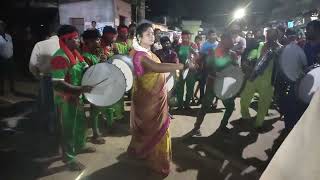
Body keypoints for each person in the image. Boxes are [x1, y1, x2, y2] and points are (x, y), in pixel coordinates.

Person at [127, 23, 193, 177]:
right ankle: (158, 166)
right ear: (139, 37)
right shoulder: (139, 55)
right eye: (148, 34)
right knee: (158, 132)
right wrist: (181, 66)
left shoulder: (146, 52)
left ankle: (144, 153)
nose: (152, 36)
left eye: (152, 33)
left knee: (148, 131)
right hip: (149, 102)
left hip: (153, 99)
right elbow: (157, 68)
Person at [50, 25, 95, 171]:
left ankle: (80, 145)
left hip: (76, 96)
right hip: (65, 99)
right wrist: (81, 89)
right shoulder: (60, 57)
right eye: (75, 38)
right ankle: (68, 158)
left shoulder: (75, 53)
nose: (79, 40)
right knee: (68, 128)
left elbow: (83, 68)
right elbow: (58, 84)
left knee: (80, 123)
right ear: (66, 39)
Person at [190, 32, 237, 136]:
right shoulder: (213, 52)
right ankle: (196, 127)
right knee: (205, 107)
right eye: (229, 41)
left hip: (224, 85)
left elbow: (236, 68)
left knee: (230, 106)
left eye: (231, 41)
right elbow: (208, 67)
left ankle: (222, 126)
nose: (232, 43)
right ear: (223, 41)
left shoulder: (232, 54)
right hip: (213, 83)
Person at [240, 28, 282, 129]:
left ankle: (258, 123)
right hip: (254, 76)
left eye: (271, 35)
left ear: (276, 36)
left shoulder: (280, 49)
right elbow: (253, 56)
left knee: (264, 103)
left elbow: (282, 66)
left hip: (268, 80)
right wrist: (247, 63)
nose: (269, 37)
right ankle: (245, 116)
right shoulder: (260, 45)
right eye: (268, 35)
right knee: (244, 98)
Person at [275, 28, 308, 133]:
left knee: (287, 108)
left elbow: (277, 68)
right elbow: (305, 66)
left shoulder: (280, 50)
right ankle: (293, 131)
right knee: (294, 108)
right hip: (295, 84)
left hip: (283, 84)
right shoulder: (299, 49)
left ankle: (289, 129)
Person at [29, 28, 59, 133]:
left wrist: (37, 75)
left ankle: (51, 126)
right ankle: (61, 125)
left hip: (46, 76)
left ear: (48, 36)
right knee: (60, 101)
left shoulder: (40, 44)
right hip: (63, 76)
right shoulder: (64, 45)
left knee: (48, 102)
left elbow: (32, 64)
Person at [175, 30, 199, 110]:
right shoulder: (178, 46)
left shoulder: (193, 45)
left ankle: (187, 105)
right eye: (184, 37)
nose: (185, 39)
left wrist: (192, 62)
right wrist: (178, 66)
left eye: (187, 37)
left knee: (190, 88)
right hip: (181, 69)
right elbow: (176, 57)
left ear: (190, 37)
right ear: (181, 37)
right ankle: (180, 105)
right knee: (179, 88)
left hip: (191, 71)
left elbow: (196, 56)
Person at [197, 30, 219, 103]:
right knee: (202, 83)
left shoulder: (218, 44)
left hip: (215, 67)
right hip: (205, 67)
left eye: (214, 35)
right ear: (208, 36)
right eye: (212, 35)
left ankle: (214, 101)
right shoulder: (204, 44)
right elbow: (201, 55)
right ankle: (201, 98)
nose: (213, 36)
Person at [0, 20, 14, 96]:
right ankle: (2, 91)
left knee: (11, 75)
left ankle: (12, 89)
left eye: (2, 25)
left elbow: (11, 46)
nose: (1, 27)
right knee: (2, 76)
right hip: (2, 59)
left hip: (10, 58)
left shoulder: (8, 36)